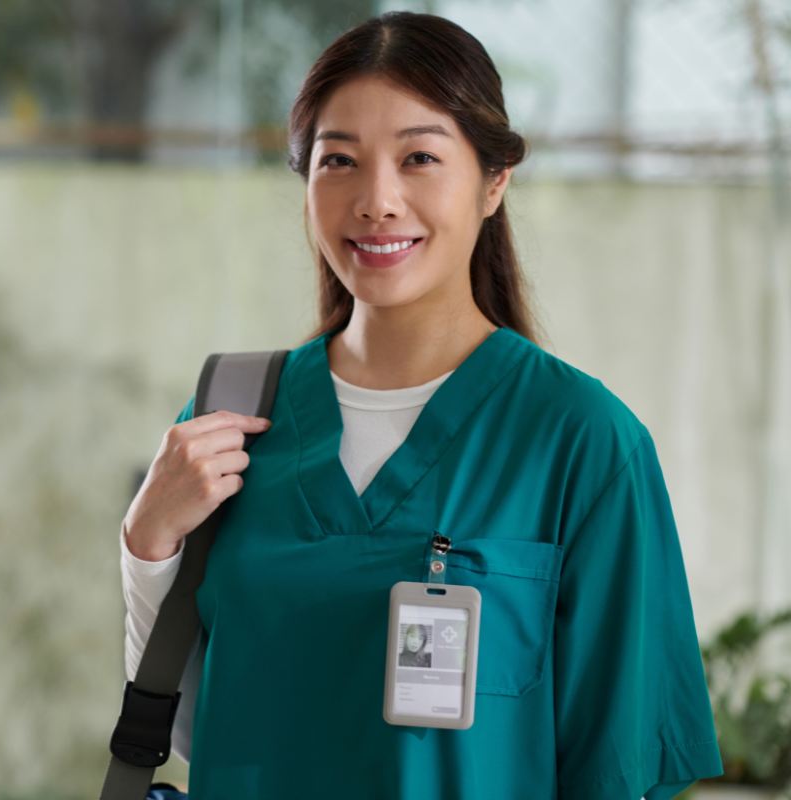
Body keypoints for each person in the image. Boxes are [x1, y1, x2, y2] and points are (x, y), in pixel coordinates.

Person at [120, 10, 724, 799]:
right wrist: (146, 543)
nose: (376, 200)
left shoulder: (581, 442)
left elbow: (615, 770)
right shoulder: (228, 416)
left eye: (419, 158)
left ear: (494, 181)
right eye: (338, 161)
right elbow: (188, 730)